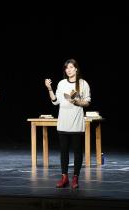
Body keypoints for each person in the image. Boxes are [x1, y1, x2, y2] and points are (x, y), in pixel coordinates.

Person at [45, 58, 91, 189]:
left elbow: (87, 102)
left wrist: (77, 102)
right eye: (66, 68)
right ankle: (64, 177)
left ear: (76, 68)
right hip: (63, 122)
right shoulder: (61, 83)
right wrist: (49, 88)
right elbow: (55, 101)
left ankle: (75, 177)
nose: (69, 70)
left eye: (71, 67)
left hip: (76, 122)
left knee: (77, 151)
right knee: (63, 151)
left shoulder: (83, 84)